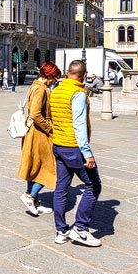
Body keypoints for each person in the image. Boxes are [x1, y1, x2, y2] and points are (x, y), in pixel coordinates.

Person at [50, 59, 103, 247]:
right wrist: (87, 153)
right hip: (74, 147)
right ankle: (80, 228)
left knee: (61, 188)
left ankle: (61, 230)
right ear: (83, 75)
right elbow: (79, 124)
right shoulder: (78, 93)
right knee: (93, 185)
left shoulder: (56, 91)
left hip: (58, 145)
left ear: (67, 73)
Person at [18, 62, 61, 217]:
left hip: (32, 132)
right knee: (49, 167)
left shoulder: (34, 85)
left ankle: (34, 200)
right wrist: (49, 127)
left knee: (34, 166)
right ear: (48, 75)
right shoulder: (42, 89)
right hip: (39, 134)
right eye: (55, 77)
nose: (56, 80)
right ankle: (29, 196)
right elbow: (36, 113)